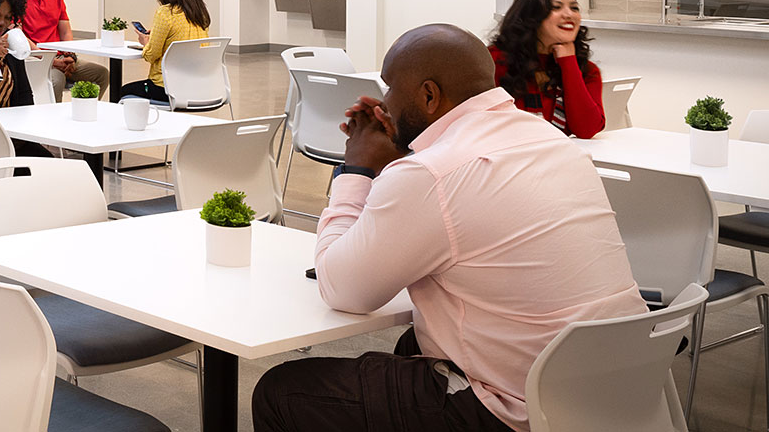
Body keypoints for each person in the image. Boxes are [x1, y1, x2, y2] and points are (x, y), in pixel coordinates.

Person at [251, 24, 645, 432]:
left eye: (389, 89)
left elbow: (342, 289)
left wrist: (355, 168)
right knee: (411, 346)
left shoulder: (431, 174)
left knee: (283, 391)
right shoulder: (547, 137)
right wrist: (406, 157)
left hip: (517, 408)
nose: (384, 101)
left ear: (428, 95)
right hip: (612, 385)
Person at [489, 0, 605, 139]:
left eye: (574, 8)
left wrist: (568, 62)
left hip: (556, 159)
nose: (569, 14)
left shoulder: (586, 70)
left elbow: (587, 129)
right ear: (532, 16)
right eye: (556, 7)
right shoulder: (493, 62)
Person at [12, 0, 107, 95]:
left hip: (61, 57)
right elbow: (19, 37)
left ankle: (83, 114)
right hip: (35, 60)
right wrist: (50, 61)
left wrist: (69, 55)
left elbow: (65, 31)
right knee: (56, 80)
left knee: (100, 74)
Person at [119, 0, 211, 104]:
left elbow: (151, 55)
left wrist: (146, 42)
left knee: (123, 91)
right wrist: (157, 35)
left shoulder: (165, 13)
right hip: (196, 85)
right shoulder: (199, 12)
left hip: (166, 88)